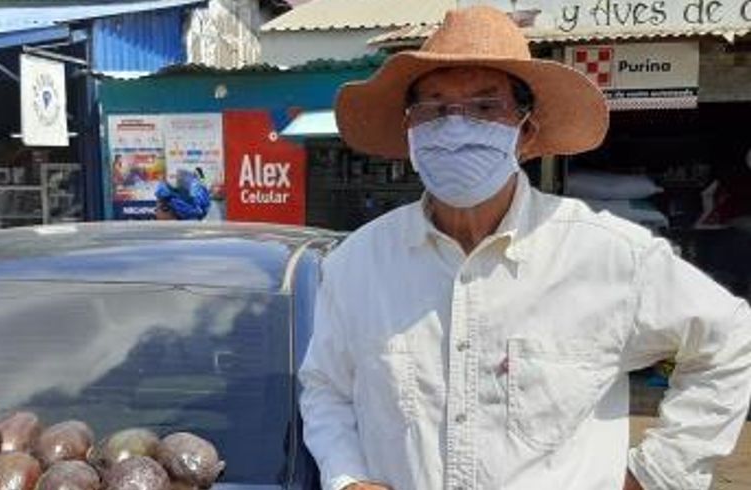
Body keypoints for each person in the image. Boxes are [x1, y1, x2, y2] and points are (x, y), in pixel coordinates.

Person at [300, 6, 751, 490]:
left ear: (526, 131)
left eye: (485, 106)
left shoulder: (606, 256)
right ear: (411, 131)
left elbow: (730, 339)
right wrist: (348, 478)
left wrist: (655, 473)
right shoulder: (358, 264)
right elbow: (326, 388)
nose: (455, 126)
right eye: (433, 107)